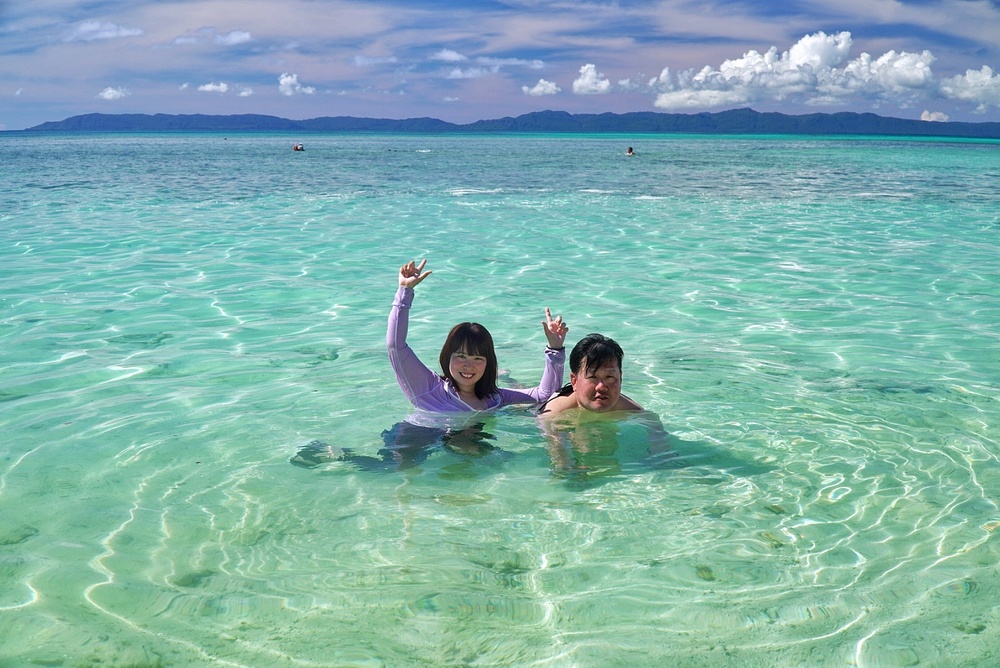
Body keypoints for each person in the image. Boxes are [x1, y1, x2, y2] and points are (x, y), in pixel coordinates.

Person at [388, 259, 569, 412]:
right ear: (447, 356)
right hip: (415, 440)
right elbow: (396, 346)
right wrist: (405, 290)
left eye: (478, 358)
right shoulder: (428, 388)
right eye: (461, 356)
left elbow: (546, 396)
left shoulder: (495, 398)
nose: (469, 365)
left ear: (488, 362)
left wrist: (555, 350)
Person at [538, 333, 642, 416]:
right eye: (593, 377)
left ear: (620, 378)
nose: (601, 387)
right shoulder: (553, 414)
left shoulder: (636, 413)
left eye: (609, 377)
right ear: (574, 381)